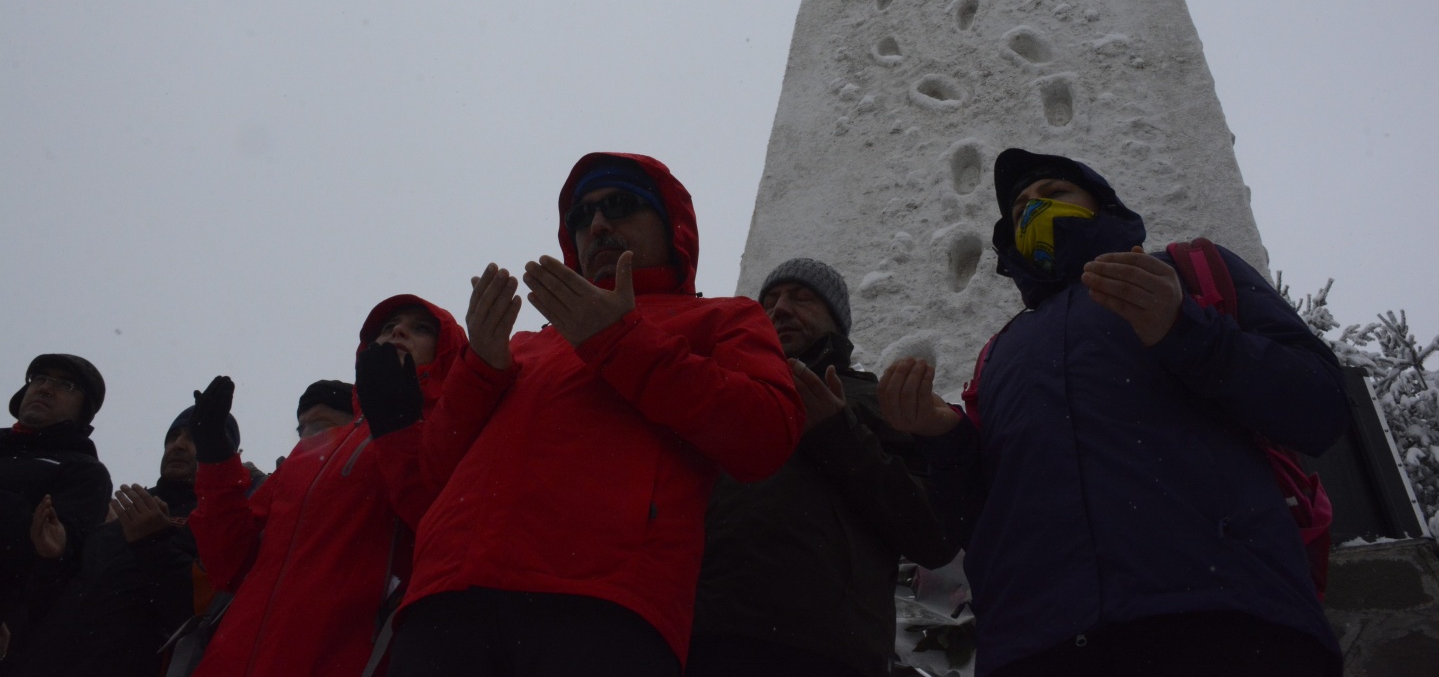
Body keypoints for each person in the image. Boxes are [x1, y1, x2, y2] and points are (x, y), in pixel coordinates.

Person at [879, 148, 1349, 677]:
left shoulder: (1184, 273)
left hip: (1226, 622)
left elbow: (1320, 406)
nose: (1033, 210)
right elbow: (982, 523)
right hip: (1037, 644)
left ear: (1101, 206)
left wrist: (1186, 329)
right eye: (1019, 211)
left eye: (1053, 194)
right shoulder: (1003, 350)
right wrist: (943, 439)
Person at [387, 153, 805, 677]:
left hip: (603, 604)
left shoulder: (723, 317)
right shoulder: (520, 346)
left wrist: (618, 342)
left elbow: (766, 433)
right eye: (581, 218)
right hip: (447, 601)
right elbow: (434, 479)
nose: (598, 225)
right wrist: (481, 369)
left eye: (620, 205)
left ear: (672, 227)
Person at [688, 258, 955, 677]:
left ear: (836, 320)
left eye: (803, 298)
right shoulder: (728, 399)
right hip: (702, 639)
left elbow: (933, 533)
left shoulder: (876, 400)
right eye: (770, 300)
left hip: (828, 648)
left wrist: (836, 434)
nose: (780, 309)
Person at [185, 295, 468, 677]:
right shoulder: (308, 453)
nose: (399, 331)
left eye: (421, 328)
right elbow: (230, 565)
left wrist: (399, 426)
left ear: (447, 351)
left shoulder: (453, 430)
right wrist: (216, 462)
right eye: (388, 327)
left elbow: (444, 531)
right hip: (231, 661)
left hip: (347, 661)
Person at [2, 405, 237, 677]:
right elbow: (54, 601)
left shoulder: (217, 522)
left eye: (195, 438)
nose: (179, 446)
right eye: (173, 437)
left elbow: (196, 617)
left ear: (220, 449)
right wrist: (53, 558)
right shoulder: (117, 513)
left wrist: (153, 544)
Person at [0, 355, 111, 671]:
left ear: (82, 411)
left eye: (66, 385)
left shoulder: (83, 472)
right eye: (39, 379)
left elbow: (60, 568)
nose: (46, 388)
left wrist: (58, 546)